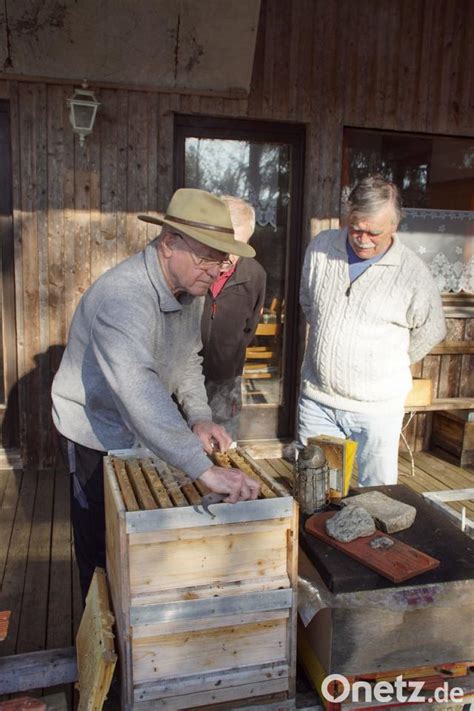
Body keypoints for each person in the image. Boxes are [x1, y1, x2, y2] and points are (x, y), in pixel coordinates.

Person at [52, 188, 261, 599]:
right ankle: (100, 647)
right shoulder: (123, 296)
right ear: (168, 244)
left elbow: (187, 359)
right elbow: (138, 389)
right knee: (99, 550)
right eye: (208, 255)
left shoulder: (190, 286)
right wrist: (204, 469)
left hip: (137, 429)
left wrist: (199, 416)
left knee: (139, 550)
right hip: (93, 431)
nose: (219, 269)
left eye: (223, 258)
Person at [297, 175, 446, 487]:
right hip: (319, 401)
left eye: (373, 232)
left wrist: (387, 362)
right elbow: (309, 303)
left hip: (377, 410)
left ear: (394, 226)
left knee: (377, 496)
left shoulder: (412, 272)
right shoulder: (322, 248)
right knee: (319, 491)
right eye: (356, 228)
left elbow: (431, 329)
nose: (362, 238)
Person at [201, 196, 266, 440]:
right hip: (178, 380)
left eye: (238, 246)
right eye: (223, 244)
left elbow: (249, 329)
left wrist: (228, 358)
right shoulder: (191, 269)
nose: (229, 255)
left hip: (225, 382)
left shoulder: (255, 275)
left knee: (222, 451)